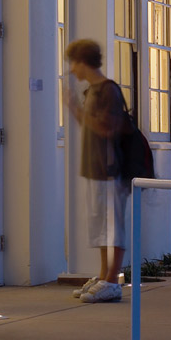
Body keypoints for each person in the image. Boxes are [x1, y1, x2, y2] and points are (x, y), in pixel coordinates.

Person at [63, 38, 127, 303]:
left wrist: (77, 108)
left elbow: (107, 128)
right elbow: (90, 126)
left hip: (110, 168)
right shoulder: (92, 91)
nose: (72, 70)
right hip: (96, 168)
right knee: (101, 226)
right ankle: (103, 276)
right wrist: (75, 108)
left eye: (73, 63)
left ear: (82, 61)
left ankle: (112, 280)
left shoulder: (107, 91)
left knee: (113, 226)